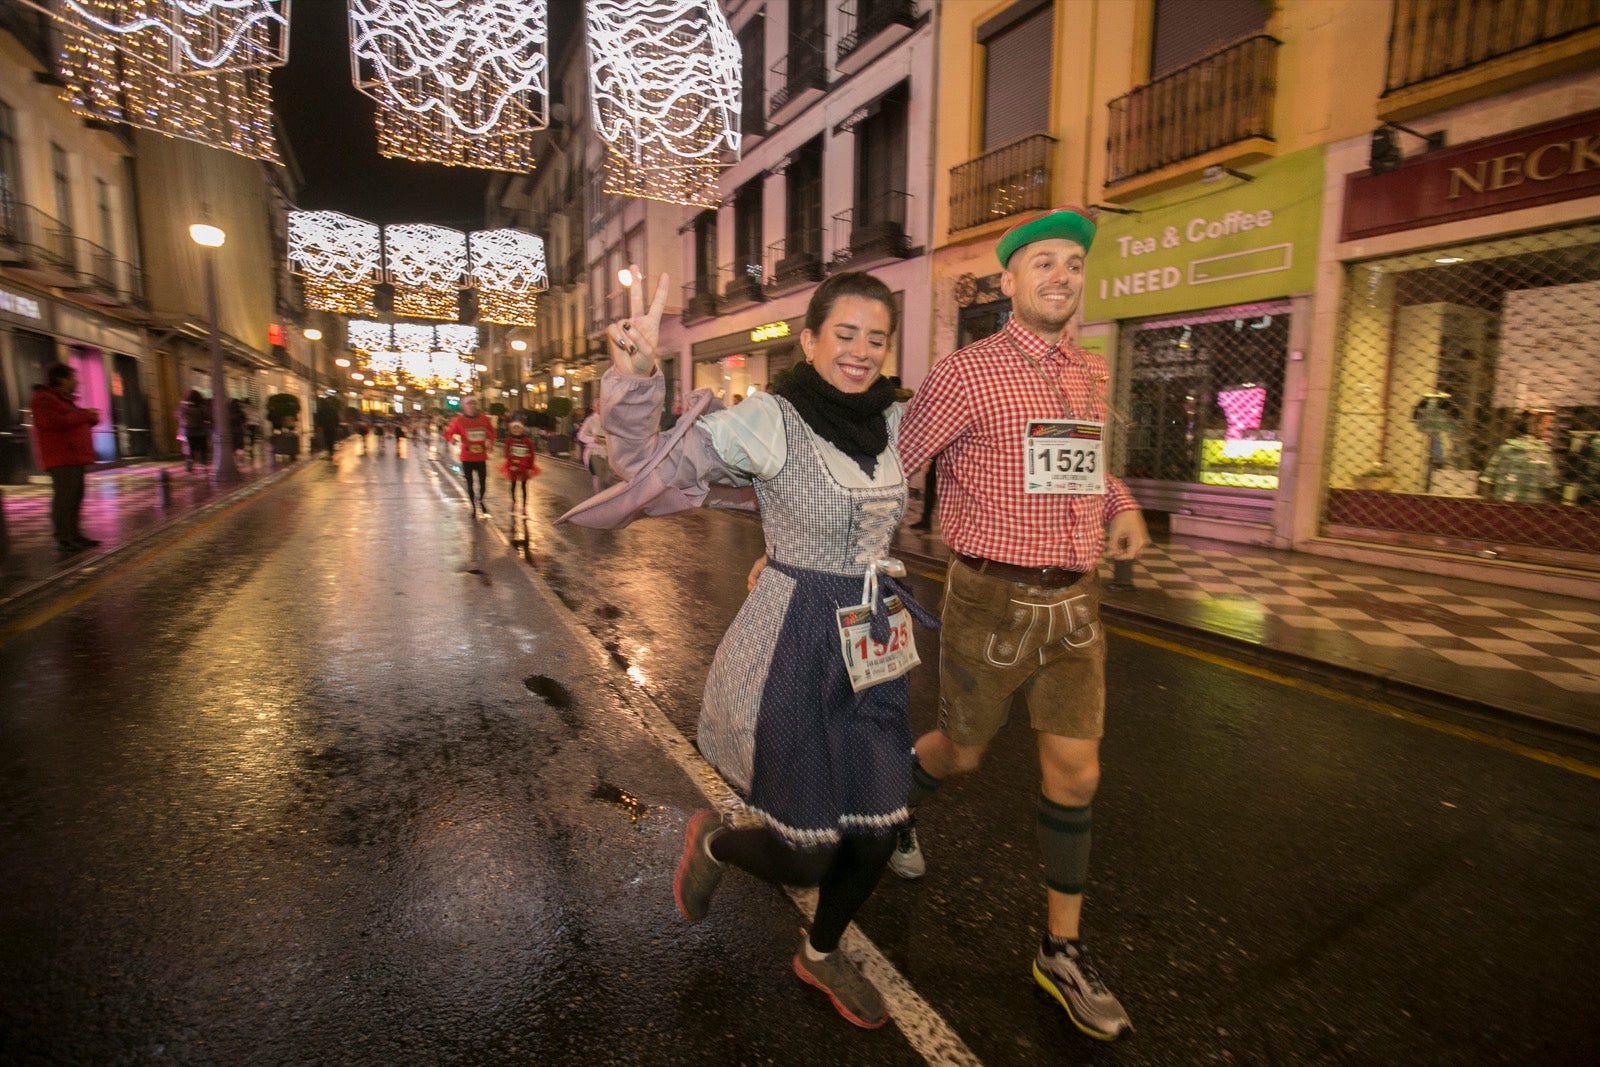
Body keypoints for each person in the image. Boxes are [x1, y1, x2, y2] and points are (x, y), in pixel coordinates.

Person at [562, 268, 932, 1030]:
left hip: (874, 635)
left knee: (879, 819)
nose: (861, 351)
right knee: (806, 852)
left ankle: (822, 951)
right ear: (810, 339)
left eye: (877, 337)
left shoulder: (894, 422)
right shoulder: (772, 417)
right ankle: (719, 844)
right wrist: (636, 384)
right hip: (798, 639)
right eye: (846, 334)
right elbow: (649, 465)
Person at [890, 206, 1149, 1041]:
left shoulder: (1091, 372)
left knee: (1076, 775)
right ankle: (897, 806)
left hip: (1077, 605)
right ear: (1009, 281)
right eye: (1043, 263)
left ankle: (1060, 952)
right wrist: (832, 551)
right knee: (959, 752)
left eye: (1073, 263)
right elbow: (896, 465)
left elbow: (1088, 466)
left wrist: (1124, 503)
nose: (1062, 277)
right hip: (991, 599)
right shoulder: (966, 372)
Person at [29, 364, 102, 552]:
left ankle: (74, 534)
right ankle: (63, 538)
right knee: (65, 499)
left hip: (74, 457)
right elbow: (54, 422)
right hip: (61, 458)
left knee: (75, 497)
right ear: (61, 380)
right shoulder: (43, 399)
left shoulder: (64, 400)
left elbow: (73, 421)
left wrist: (90, 418)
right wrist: (84, 416)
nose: (77, 381)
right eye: (73, 378)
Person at [446, 396, 496, 516]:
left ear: (476, 405)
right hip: (467, 456)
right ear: (464, 406)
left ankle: (480, 499)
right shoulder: (459, 420)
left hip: (481, 456)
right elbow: (449, 433)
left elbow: (491, 432)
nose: (471, 406)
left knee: (483, 483)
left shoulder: (484, 419)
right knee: (470, 483)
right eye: (469, 404)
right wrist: (452, 439)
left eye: (473, 403)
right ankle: (473, 507)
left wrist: (491, 442)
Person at [502, 418, 539, 512]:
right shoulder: (509, 440)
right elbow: (506, 453)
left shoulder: (527, 441)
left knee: (524, 486)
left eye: (518, 428)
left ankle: (524, 506)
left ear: (522, 429)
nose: (516, 430)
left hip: (525, 467)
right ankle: (514, 501)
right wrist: (510, 464)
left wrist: (530, 467)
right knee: (513, 485)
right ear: (511, 430)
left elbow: (532, 454)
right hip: (513, 466)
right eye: (514, 428)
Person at [576, 406, 609, 494]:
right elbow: (581, 436)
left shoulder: (609, 419)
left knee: (608, 478)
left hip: (607, 452)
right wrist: (593, 439)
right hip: (594, 451)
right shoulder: (591, 420)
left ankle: (607, 497)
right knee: (598, 476)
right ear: (595, 407)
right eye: (599, 405)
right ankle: (598, 498)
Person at [180, 389, 211, 471]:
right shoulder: (202, 407)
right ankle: (203, 464)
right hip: (201, 431)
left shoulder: (185, 408)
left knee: (191, 448)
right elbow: (207, 417)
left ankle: (190, 461)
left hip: (189, 432)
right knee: (202, 448)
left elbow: (179, 416)